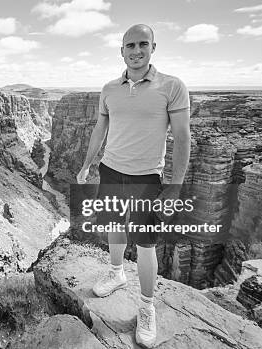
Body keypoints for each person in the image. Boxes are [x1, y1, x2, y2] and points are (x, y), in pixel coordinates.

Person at [76, 24, 191, 347]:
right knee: (113, 224)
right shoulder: (109, 88)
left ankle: (146, 306)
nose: (136, 51)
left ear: (154, 47)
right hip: (111, 170)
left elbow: (183, 137)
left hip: (147, 179)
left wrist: (175, 185)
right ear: (121, 50)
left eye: (143, 44)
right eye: (130, 45)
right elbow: (100, 129)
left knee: (145, 242)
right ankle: (116, 272)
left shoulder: (172, 87)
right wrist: (87, 163)